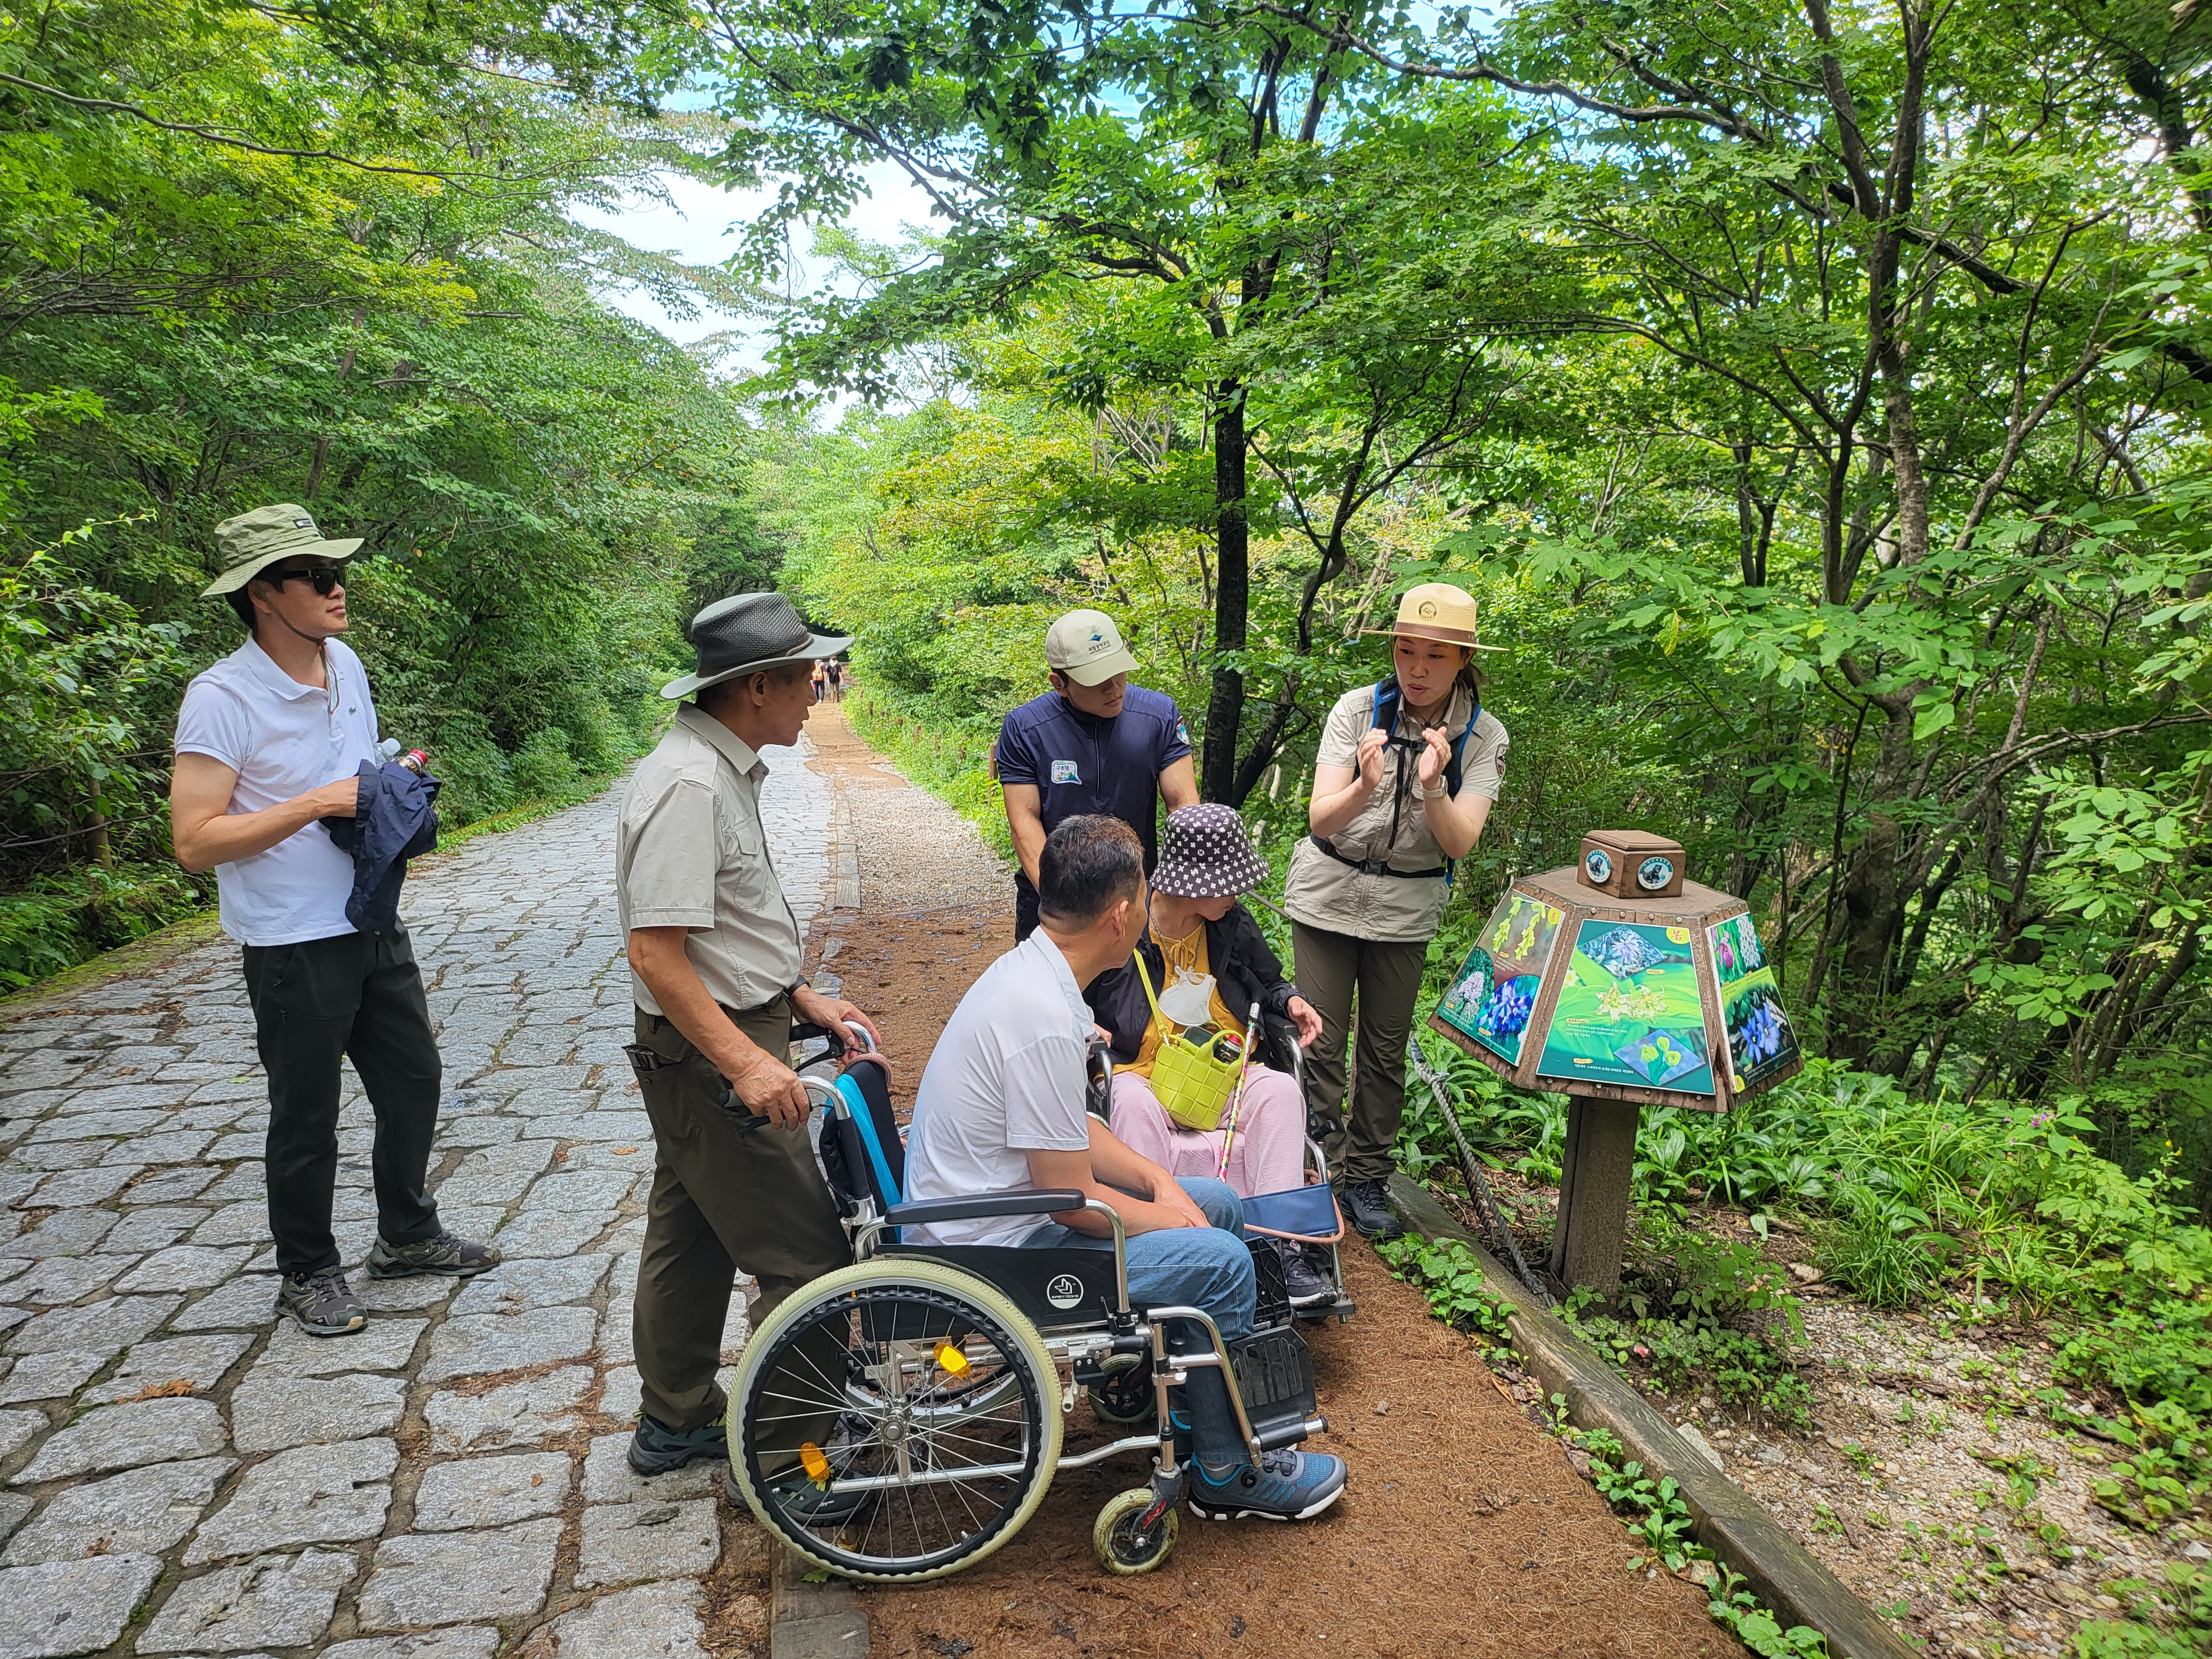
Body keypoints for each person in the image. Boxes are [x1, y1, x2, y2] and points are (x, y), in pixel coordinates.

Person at [904, 815, 1349, 1522]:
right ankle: (1225, 1472)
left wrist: (1159, 1182)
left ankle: (1169, 1393)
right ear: (1120, 917)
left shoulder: (1034, 974)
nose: (1150, 904)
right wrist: (1168, 1217)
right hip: (998, 1255)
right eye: (1143, 892)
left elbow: (1071, 1127)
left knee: (1218, 1206)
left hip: (1004, 1220)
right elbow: (1071, 1202)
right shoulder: (1042, 1016)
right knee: (1224, 1260)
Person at [170, 504, 499, 1339]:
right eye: (314, 576)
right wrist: (315, 802)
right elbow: (195, 841)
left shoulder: (344, 663)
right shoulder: (221, 698)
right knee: (307, 1115)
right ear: (262, 596)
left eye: (336, 570)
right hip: (290, 940)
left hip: (370, 914)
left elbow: (354, 769)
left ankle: (407, 1234)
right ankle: (308, 1271)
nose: (336, 587)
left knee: (414, 1079)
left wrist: (391, 788)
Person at [617, 591, 880, 1493]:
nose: (818, 689)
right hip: (714, 1054)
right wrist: (745, 1058)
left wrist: (798, 996)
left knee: (689, 1235)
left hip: (728, 1033)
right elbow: (655, 952)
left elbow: (721, 925)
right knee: (806, 1255)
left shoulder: (722, 766)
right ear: (757, 686)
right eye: (808, 675)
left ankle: (676, 1417)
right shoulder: (690, 784)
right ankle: (792, 1468)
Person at [1282, 583, 1509, 1242]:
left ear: (1463, 657)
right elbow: (1321, 817)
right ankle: (1318, 1170)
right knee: (1319, 1038)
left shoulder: (1483, 736)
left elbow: (1460, 840)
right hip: (1329, 892)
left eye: (1435, 656)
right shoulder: (1357, 710)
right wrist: (1365, 786)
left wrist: (1433, 786)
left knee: (1384, 1050)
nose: (1416, 668)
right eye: (1406, 651)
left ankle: (1367, 1179)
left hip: (1406, 906)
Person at [1082, 805, 1332, 1306]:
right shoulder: (1126, 924)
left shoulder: (1230, 923)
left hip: (1223, 1067)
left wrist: (1292, 1002)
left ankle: (1280, 1251)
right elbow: (1078, 985)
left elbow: (1270, 981)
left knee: (1282, 1091)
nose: (1237, 893)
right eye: (1228, 881)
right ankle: (1167, 1247)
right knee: (1128, 1104)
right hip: (1145, 1071)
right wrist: (1082, 1020)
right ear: (1192, 883)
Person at [997, 609, 1199, 942]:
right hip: (1053, 902)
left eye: (1118, 670)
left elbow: (1184, 807)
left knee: (1139, 992)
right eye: (1096, 678)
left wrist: (1175, 892)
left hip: (1137, 896)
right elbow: (1025, 822)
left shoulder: (1158, 716)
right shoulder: (1026, 729)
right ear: (1059, 683)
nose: (1113, 687)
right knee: (1053, 993)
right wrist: (1063, 903)